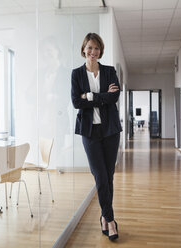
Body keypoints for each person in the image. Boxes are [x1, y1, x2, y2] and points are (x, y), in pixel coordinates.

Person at [71, 33, 122, 241]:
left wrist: (89, 97)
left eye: (97, 49)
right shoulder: (76, 74)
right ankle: (110, 220)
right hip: (90, 132)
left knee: (108, 176)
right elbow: (76, 102)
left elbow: (115, 96)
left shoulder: (109, 71)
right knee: (100, 175)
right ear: (84, 49)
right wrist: (102, 98)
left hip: (110, 130)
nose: (93, 52)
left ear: (100, 51)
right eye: (90, 48)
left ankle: (104, 216)